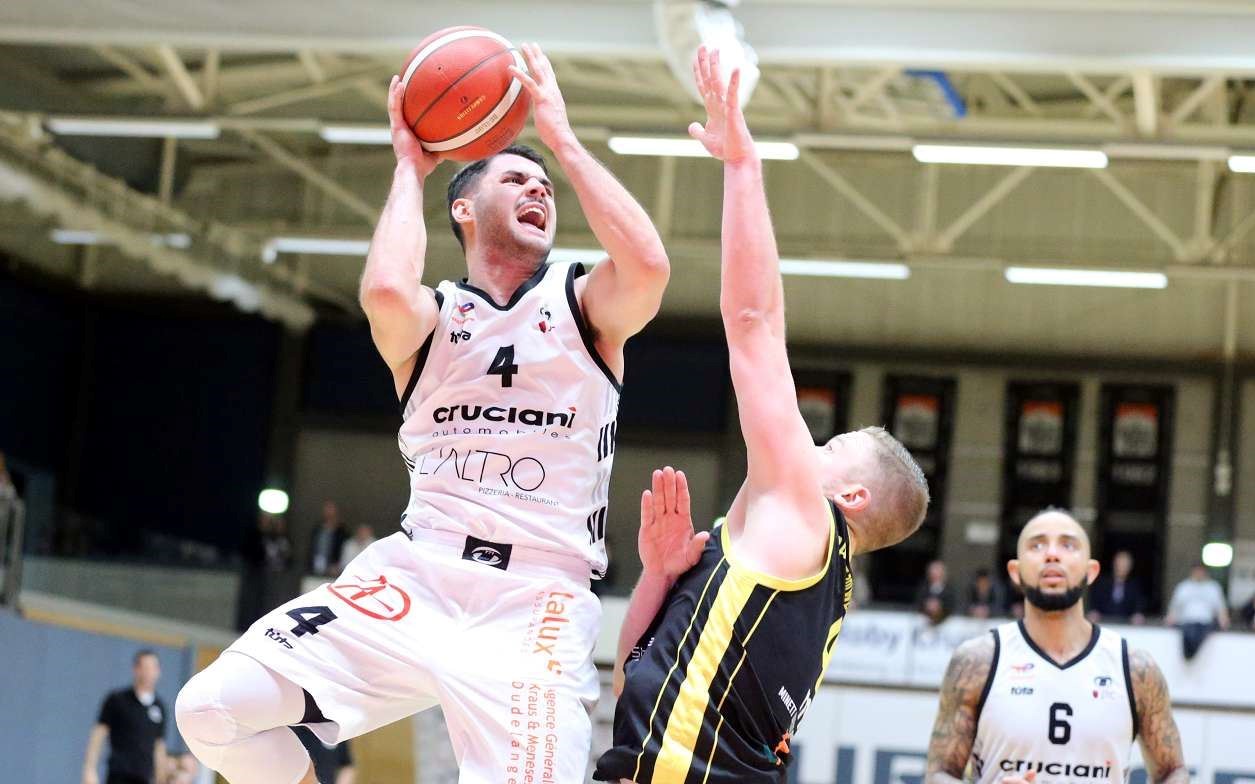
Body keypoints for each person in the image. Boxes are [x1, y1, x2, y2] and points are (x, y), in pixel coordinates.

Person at [177, 41, 670, 784]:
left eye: (546, 186)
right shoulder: (433, 319)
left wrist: (563, 141)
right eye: (516, 178)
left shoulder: (581, 303)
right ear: (463, 209)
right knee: (210, 711)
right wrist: (410, 164)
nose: (539, 190)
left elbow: (649, 267)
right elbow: (382, 292)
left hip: (535, 602)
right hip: (418, 574)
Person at [594, 48, 929, 783]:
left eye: (831, 446)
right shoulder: (794, 579)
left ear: (851, 496)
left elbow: (753, 324)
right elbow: (630, 681)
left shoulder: (804, 517)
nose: (810, 444)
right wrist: (657, 577)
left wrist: (742, 166)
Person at [925, 510, 1188, 784]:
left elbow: (1173, 771)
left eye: (1068, 545)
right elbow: (938, 774)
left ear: (1091, 571)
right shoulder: (977, 661)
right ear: (1015, 572)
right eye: (1037, 545)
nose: (1052, 554)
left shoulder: (1136, 669)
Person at [82, 650, 169, 784]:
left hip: (144, 777)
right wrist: (89, 769)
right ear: (136, 669)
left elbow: (159, 746)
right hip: (119, 775)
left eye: (153, 668)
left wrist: (161, 778)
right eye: (145, 667)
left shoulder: (159, 707)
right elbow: (98, 735)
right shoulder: (117, 700)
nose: (149, 673)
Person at [1165, 563, 1229, 660]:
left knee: (1199, 635)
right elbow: (1175, 606)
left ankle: (1190, 655)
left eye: (1201, 571)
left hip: (1205, 622)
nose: (1199, 574)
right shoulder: (1183, 587)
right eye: (1196, 571)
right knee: (1189, 634)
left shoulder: (1213, 587)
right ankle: (1188, 655)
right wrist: (1170, 617)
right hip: (1187, 621)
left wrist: (1223, 620)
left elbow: (1220, 607)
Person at [1088, 549, 1146, 624]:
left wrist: (1138, 614)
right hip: (1104, 623)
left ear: (1130, 566)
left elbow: (1138, 605)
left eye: (1125, 564)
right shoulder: (1102, 583)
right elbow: (1094, 603)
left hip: (1126, 625)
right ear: (1114, 563)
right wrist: (1094, 612)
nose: (1122, 566)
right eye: (1120, 563)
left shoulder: (1134, 586)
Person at [307, 501, 348, 577]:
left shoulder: (341, 531)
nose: (329, 513)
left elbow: (344, 548)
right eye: (327, 511)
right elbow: (312, 547)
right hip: (317, 563)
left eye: (331, 510)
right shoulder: (318, 529)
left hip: (334, 566)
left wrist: (337, 564)